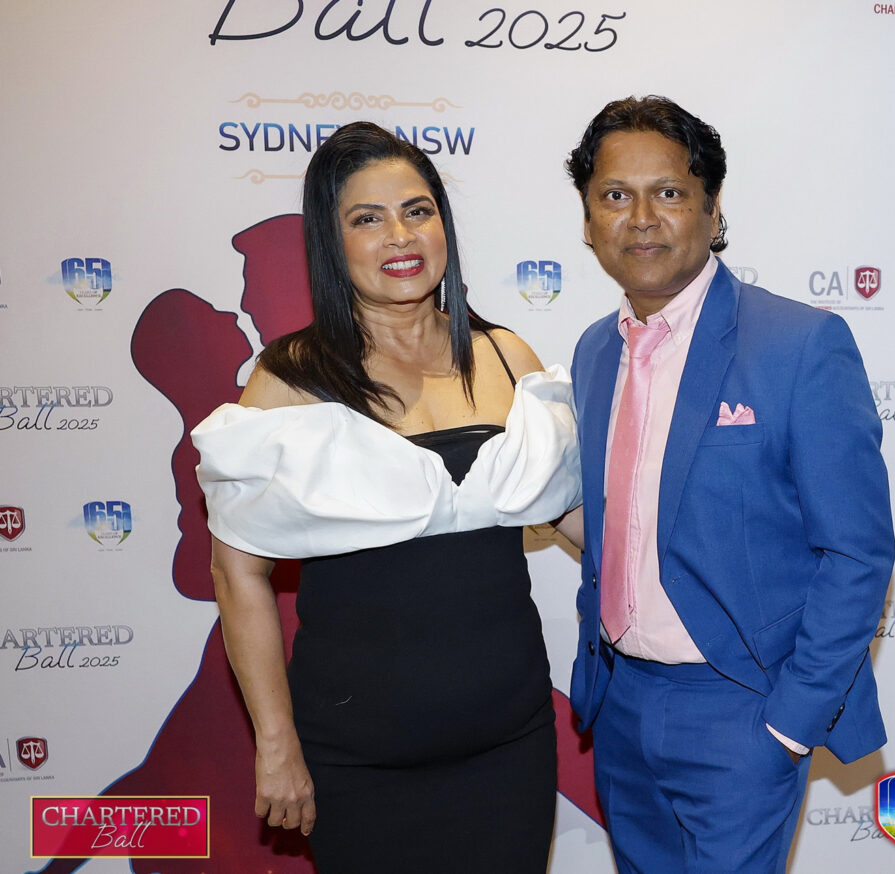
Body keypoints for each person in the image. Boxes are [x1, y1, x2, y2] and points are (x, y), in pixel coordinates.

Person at [191, 122, 582, 873]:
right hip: (358, 762)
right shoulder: (290, 379)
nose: (399, 236)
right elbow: (237, 572)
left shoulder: (507, 357)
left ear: (444, 225)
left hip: (509, 746)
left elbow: (571, 514)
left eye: (417, 210)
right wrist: (276, 745)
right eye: (367, 219)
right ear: (330, 242)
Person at [565, 96, 895, 873]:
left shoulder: (800, 344)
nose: (641, 218)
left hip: (742, 712)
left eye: (668, 192)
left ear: (712, 211)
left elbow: (856, 553)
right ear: (587, 222)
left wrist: (788, 725)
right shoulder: (593, 352)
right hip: (620, 707)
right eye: (615, 196)